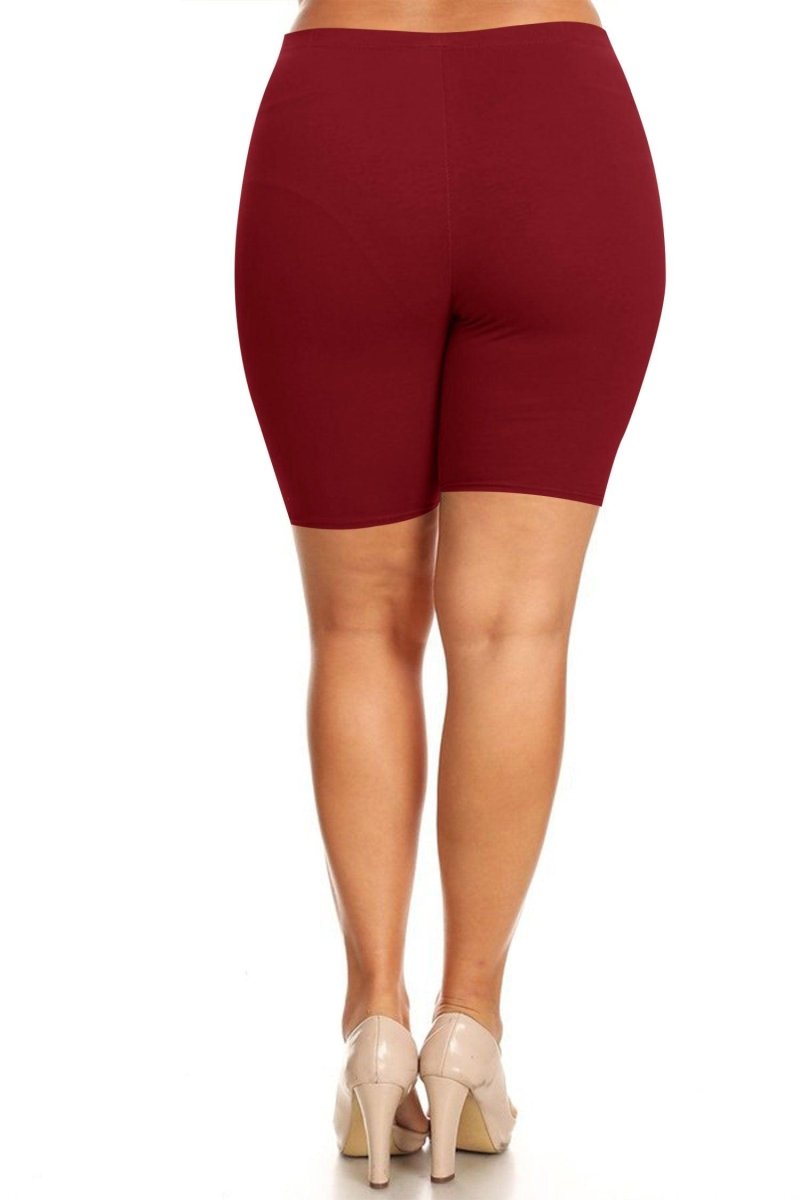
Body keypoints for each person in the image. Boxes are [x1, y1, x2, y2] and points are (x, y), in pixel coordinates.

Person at [234, 0, 665, 1186]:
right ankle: (466, 1022)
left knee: (357, 623)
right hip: (559, 131)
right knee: (511, 629)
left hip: (336, 129)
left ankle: (374, 1020)